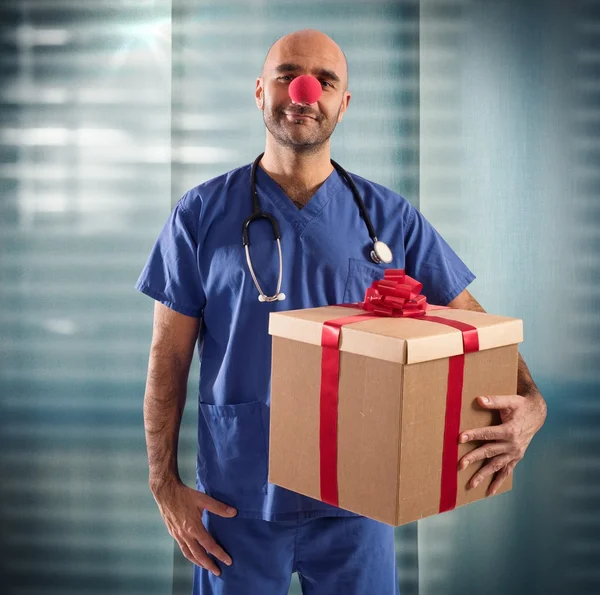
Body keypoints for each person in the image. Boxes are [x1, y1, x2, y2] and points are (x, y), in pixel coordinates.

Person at [136, 29, 547, 595]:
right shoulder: (200, 214)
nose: (304, 91)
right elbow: (169, 354)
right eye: (287, 75)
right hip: (236, 505)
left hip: (359, 499)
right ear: (260, 91)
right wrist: (164, 485)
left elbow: (473, 325)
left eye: (325, 81)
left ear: (342, 104)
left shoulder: (389, 217)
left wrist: (532, 403)